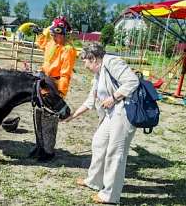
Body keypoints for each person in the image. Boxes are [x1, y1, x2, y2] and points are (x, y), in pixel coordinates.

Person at [64, 42, 139, 204]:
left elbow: (132, 81)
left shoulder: (112, 62)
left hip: (125, 111)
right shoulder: (98, 75)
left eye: (85, 61)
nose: (84, 66)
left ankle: (110, 196)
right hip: (112, 113)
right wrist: (72, 116)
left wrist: (113, 98)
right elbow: (91, 101)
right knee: (99, 143)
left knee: (115, 153)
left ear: (93, 59)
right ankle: (94, 181)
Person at [30, 16, 77, 161]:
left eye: (57, 34)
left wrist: (60, 93)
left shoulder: (68, 50)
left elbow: (65, 74)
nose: (54, 37)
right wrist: (40, 33)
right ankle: (39, 146)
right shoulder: (51, 42)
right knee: (37, 113)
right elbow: (42, 43)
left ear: (63, 34)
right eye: (53, 34)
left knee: (49, 118)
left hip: (54, 85)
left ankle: (48, 151)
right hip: (42, 80)